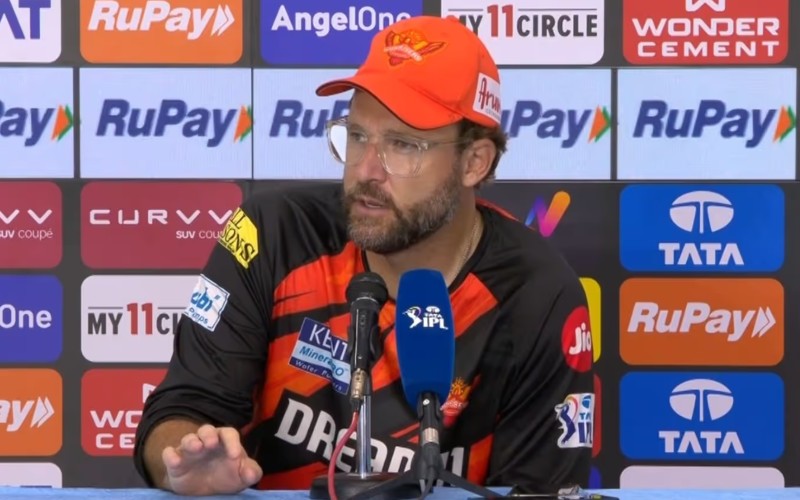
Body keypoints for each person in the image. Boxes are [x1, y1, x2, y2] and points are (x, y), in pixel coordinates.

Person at [133, 14, 595, 497]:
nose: (366, 170)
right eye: (356, 136)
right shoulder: (274, 235)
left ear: (474, 162)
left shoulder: (534, 295)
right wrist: (182, 462)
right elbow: (183, 411)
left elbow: (537, 491)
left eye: (403, 145)